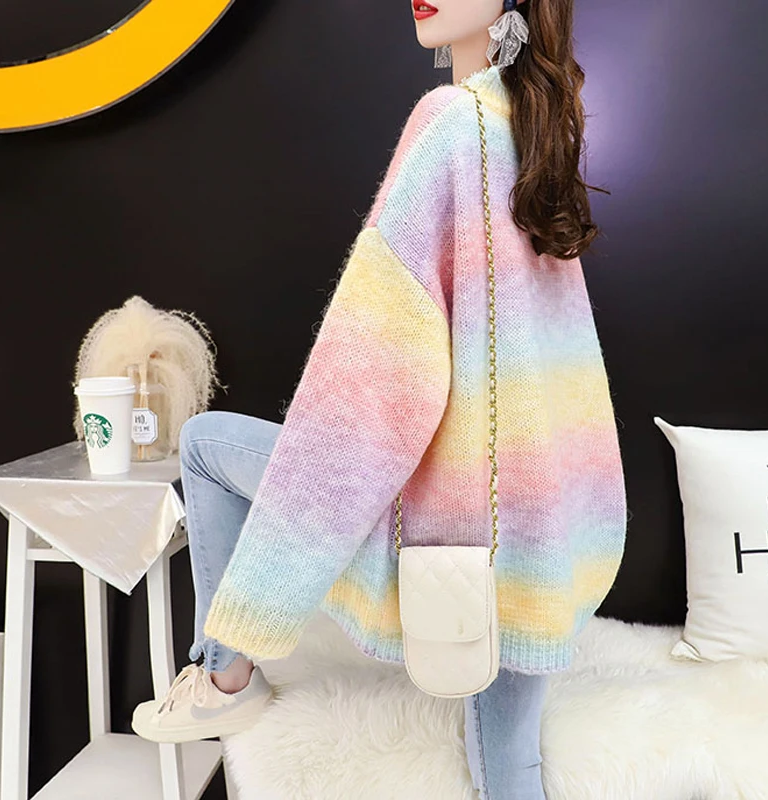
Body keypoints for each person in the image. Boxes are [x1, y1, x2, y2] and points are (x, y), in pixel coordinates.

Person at [131, 0, 628, 797]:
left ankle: (224, 673)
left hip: (443, 532)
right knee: (511, 769)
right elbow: (560, 356)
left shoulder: (449, 124)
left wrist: (324, 508)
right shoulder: (539, 130)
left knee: (204, 446)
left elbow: (375, 372)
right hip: (541, 531)